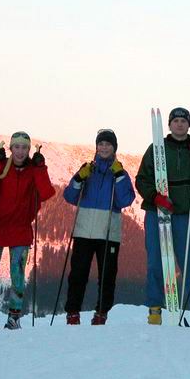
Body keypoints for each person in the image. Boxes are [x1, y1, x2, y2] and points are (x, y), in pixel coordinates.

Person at [135, 107, 190, 328]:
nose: (180, 124)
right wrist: (155, 197)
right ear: (170, 125)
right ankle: (155, 309)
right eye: (176, 121)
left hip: (184, 212)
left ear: (188, 125)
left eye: (183, 121)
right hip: (157, 211)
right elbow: (142, 179)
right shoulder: (156, 148)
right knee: (156, 261)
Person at [0, 131, 55, 330]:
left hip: (19, 230)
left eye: (24, 147)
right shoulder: (1, 166)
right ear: (11, 148)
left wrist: (40, 168)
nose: (20, 151)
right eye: (17, 147)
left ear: (29, 150)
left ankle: (13, 316)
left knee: (17, 276)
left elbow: (46, 192)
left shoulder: (32, 170)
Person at [62, 129, 136, 325]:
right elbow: (70, 196)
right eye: (101, 144)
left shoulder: (120, 173)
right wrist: (79, 178)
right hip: (84, 231)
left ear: (114, 148)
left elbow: (125, 200)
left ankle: (101, 313)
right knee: (78, 274)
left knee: (107, 276)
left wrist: (119, 175)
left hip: (108, 233)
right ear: (96, 147)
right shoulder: (87, 170)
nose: (104, 147)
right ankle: (73, 313)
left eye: (108, 144)